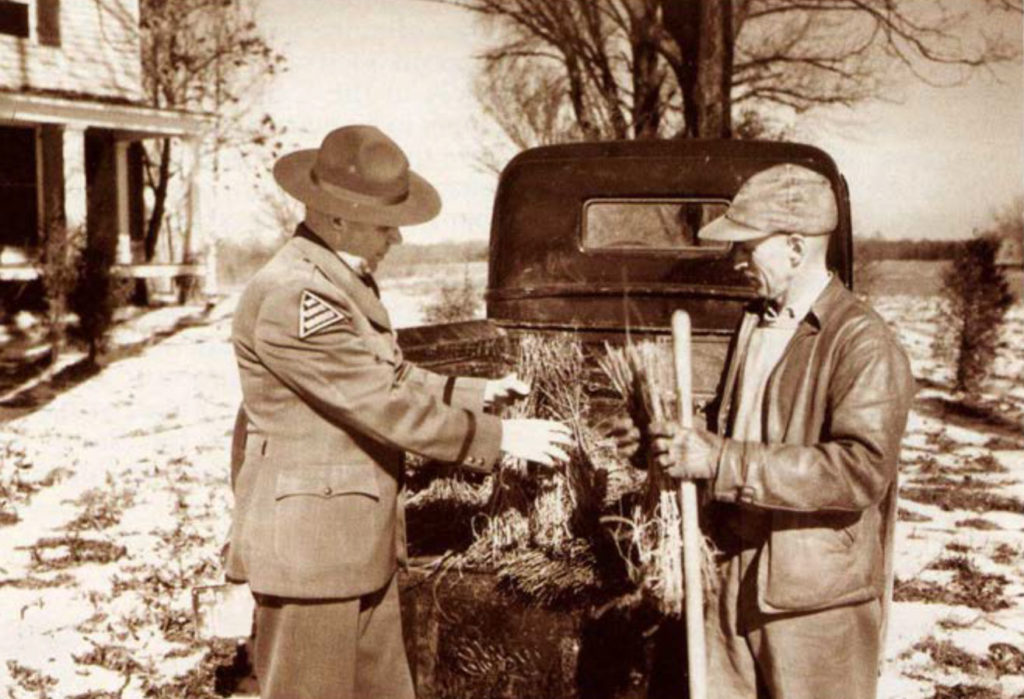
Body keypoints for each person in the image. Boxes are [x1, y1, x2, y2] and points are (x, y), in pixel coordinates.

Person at [227, 124, 572, 699]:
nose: (398, 240)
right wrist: (499, 437)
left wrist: (472, 393)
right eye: (386, 225)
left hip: (351, 543)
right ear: (336, 218)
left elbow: (389, 376)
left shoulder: (336, 281)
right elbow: (378, 402)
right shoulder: (297, 296)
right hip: (313, 555)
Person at [607, 163, 914, 699]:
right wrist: (665, 442)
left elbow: (861, 470)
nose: (736, 260)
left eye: (747, 246)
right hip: (730, 580)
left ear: (796, 249)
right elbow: (737, 427)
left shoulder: (863, 343)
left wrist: (720, 461)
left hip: (812, 604)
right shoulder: (755, 322)